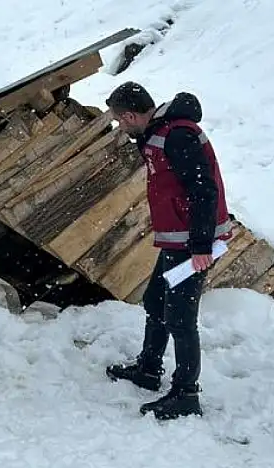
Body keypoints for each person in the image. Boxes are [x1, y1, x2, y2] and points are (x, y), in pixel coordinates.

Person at [104, 82, 234, 420]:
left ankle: (186, 394)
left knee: (180, 316)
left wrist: (202, 246)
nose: (121, 126)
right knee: (155, 302)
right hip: (179, 239)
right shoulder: (157, 133)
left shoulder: (177, 135)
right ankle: (149, 369)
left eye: (120, 121)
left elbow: (204, 189)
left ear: (131, 115)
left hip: (193, 242)